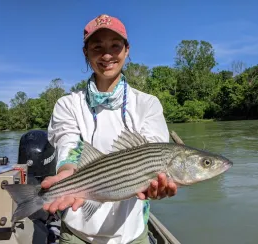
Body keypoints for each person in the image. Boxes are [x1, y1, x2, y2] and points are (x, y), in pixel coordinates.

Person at [41, 14, 178, 244]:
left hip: (132, 233)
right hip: (76, 231)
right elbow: (70, 145)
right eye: (97, 47)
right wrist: (67, 170)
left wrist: (160, 184)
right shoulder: (68, 104)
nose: (107, 55)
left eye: (115, 46)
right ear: (86, 52)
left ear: (126, 49)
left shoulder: (148, 104)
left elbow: (155, 156)